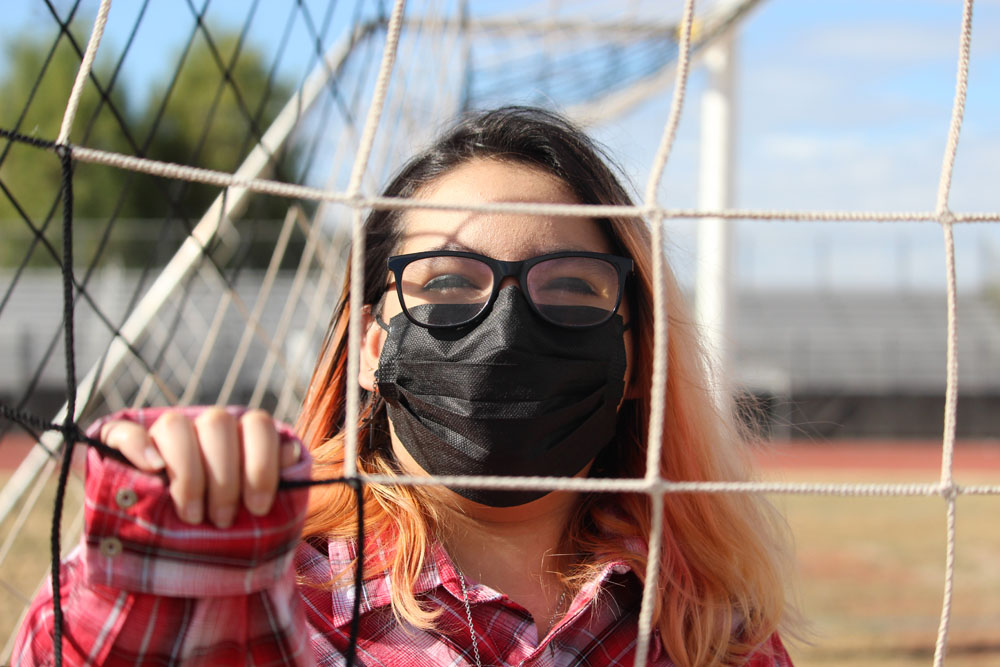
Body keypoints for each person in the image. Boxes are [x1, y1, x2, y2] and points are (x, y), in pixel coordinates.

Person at [15, 106, 794, 666]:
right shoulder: (266, 581)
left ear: (636, 361)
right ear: (370, 347)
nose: (506, 330)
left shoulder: (713, 632)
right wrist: (157, 558)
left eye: (570, 289)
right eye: (449, 285)